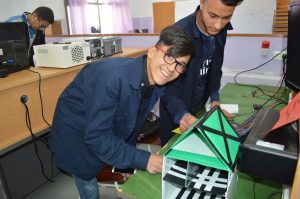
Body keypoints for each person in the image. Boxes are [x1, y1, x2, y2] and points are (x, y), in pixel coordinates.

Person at [49, 25, 194, 199]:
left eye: (180, 65)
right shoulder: (112, 78)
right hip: (75, 135)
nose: (172, 68)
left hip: (97, 129)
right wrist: (143, 159)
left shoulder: (154, 77)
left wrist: (183, 115)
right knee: (87, 181)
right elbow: (98, 137)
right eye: (169, 56)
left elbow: (133, 119)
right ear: (152, 52)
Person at [159, 0, 244, 146]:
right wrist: (181, 115)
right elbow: (164, 87)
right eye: (213, 15)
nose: (218, 25)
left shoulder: (221, 31)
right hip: (175, 113)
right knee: (174, 158)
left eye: (226, 18)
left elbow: (215, 67)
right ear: (202, 2)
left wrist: (215, 99)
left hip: (199, 109)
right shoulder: (178, 34)